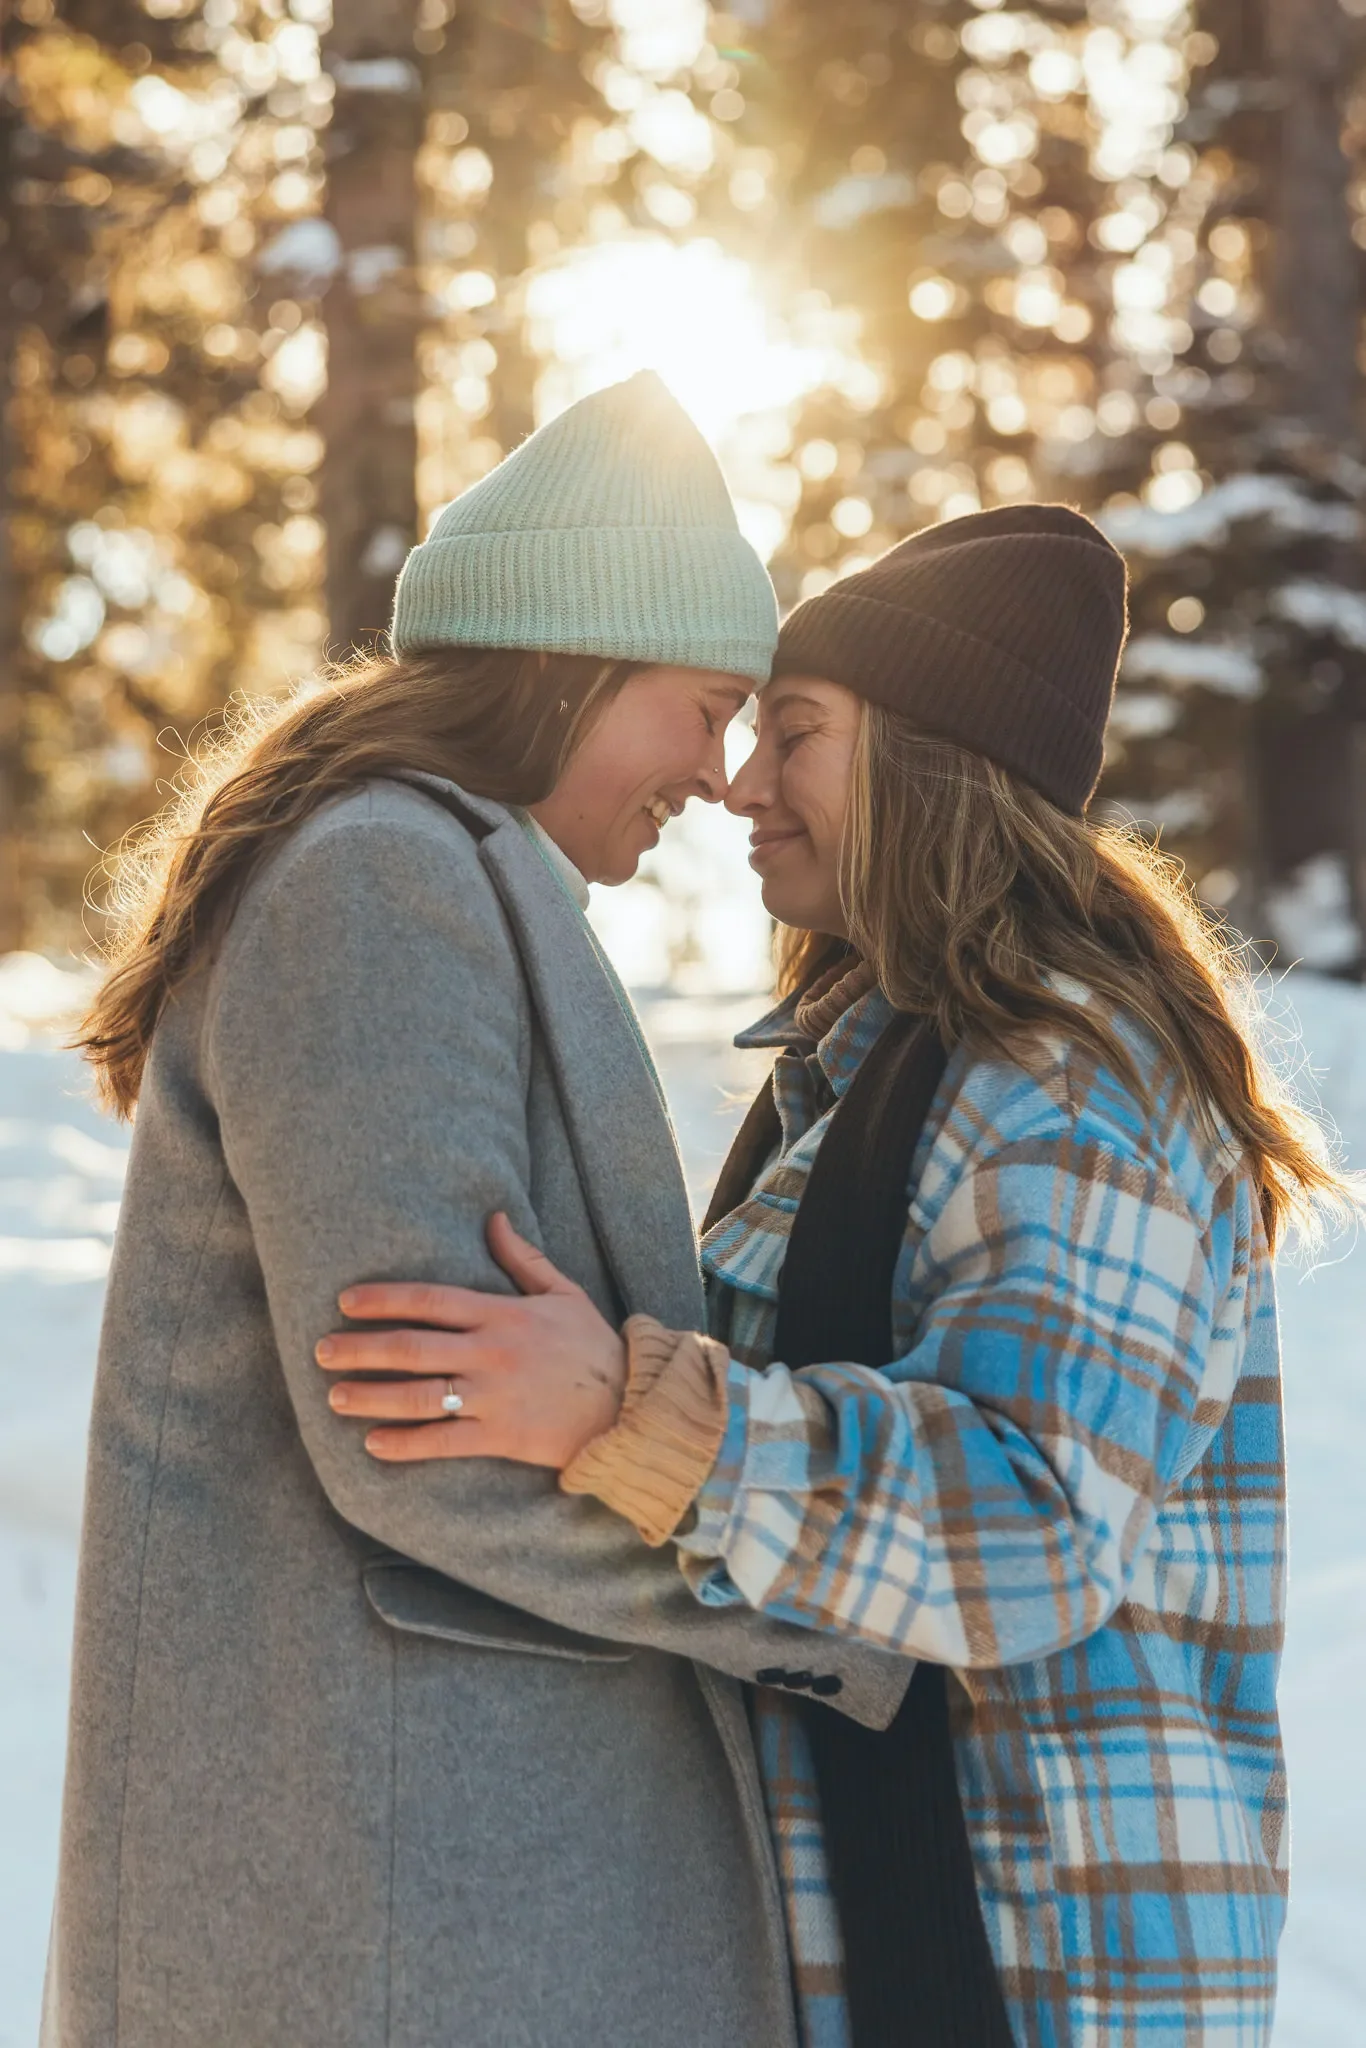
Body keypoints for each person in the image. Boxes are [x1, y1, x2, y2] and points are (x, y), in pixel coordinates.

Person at [321, 506, 1359, 2048]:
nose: (740, 784)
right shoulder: (870, 1073)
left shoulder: (1065, 1080)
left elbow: (1033, 1522)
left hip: (1038, 1963)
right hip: (900, 1939)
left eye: (793, 733)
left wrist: (636, 1418)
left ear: (934, 763)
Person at [50, 371, 912, 2048]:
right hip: (400, 1900)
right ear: (574, 664)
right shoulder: (383, 879)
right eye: (702, 710)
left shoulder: (443, 873)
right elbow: (422, 1428)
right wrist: (835, 1604)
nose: (717, 775)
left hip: (436, 1890)